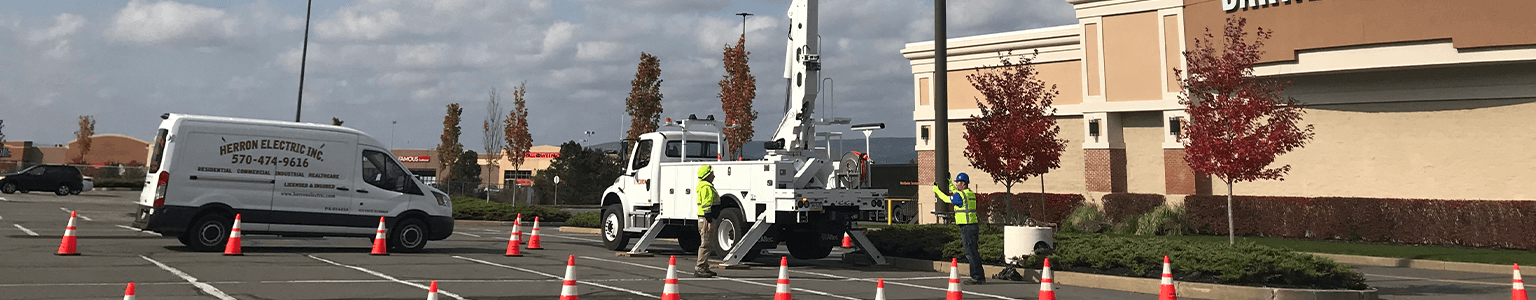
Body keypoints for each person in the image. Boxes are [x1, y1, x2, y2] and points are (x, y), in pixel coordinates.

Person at [935, 172, 983, 285]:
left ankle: (976, 277)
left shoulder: (960, 196)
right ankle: (979, 276)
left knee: (970, 253)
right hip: (972, 225)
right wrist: (950, 182)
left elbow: (947, 199)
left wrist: (936, 190)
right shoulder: (969, 194)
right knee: (974, 252)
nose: (956, 184)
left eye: (958, 182)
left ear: (963, 183)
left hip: (967, 227)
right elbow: (956, 193)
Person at [694, 165, 720, 278]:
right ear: (707, 175)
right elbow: (706, 205)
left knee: (708, 243)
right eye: (711, 173)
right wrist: (709, 220)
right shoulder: (706, 188)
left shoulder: (705, 186)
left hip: (704, 219)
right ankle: (700, 267)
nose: (713, 175)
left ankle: (704, 266)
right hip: (706, 219)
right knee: (705, 243)